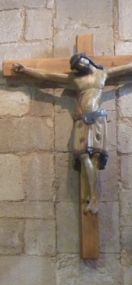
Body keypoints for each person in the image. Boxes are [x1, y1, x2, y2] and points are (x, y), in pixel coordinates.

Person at [12, 53, 132, 214]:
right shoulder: (74, 79)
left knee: (96, 156)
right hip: (82, 118)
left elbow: (127, 68)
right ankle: (91, 195)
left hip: (98, 117)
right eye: (78, 65)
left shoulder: (103, 73)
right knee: (83, 156)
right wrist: (26, 70)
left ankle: (93, 197)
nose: (82, 64)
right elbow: (47, 75)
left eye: (82, 60)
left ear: (88, 59)